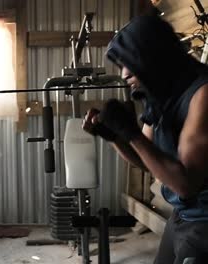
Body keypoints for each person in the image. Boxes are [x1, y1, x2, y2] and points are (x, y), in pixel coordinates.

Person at [83, 15, 208, 264]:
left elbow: (185, 185)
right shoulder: (160, 95)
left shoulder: (202, 95)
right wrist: (113, 136)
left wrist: (131, 133)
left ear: (154, 57)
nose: (125, 74)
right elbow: (147, 162)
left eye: (129, 63)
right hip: (183, 215)